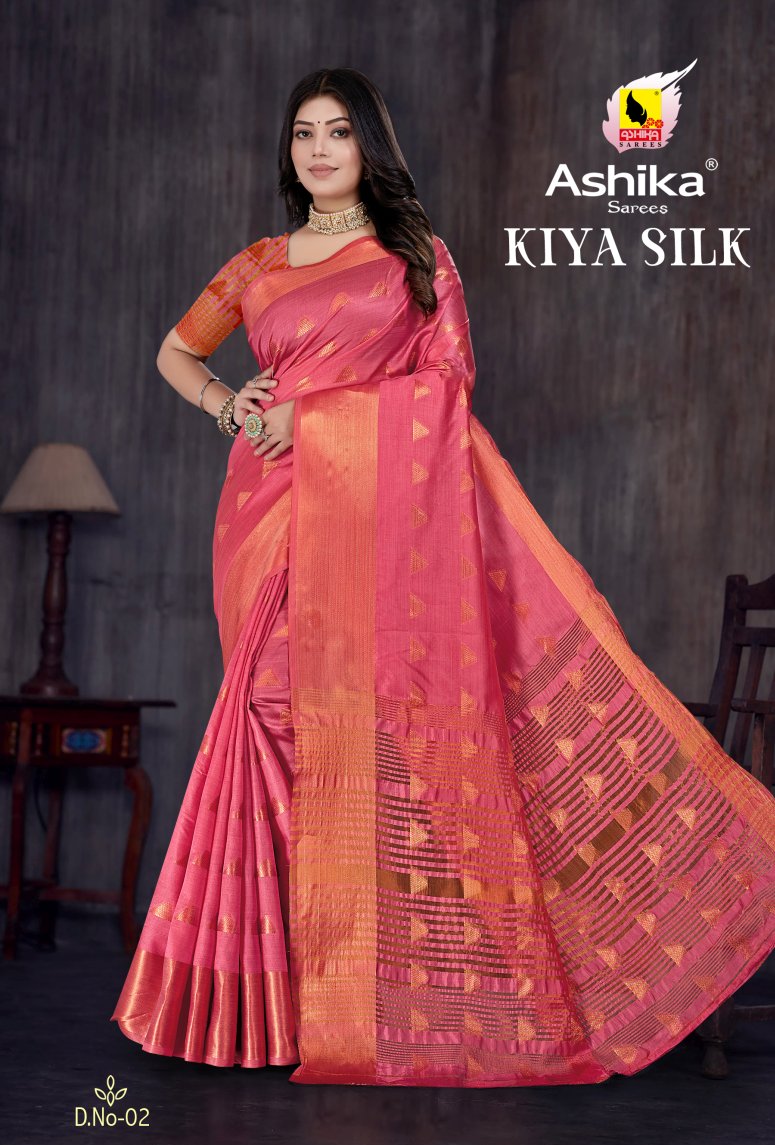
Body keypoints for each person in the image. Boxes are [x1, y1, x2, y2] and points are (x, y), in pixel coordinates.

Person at [111, 67, 775, 1087]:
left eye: (338, 132)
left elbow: (446, 386)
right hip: (264, 513)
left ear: (369, 145)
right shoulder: (258, 263)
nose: (319, 150)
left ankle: (360, 985)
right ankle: (280, 997)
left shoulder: (413, 256)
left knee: (352, 729)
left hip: (371, 519)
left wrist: (315, 420)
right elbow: (174, 351)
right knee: (269, 715)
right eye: (303, 133)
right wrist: (224, 405)